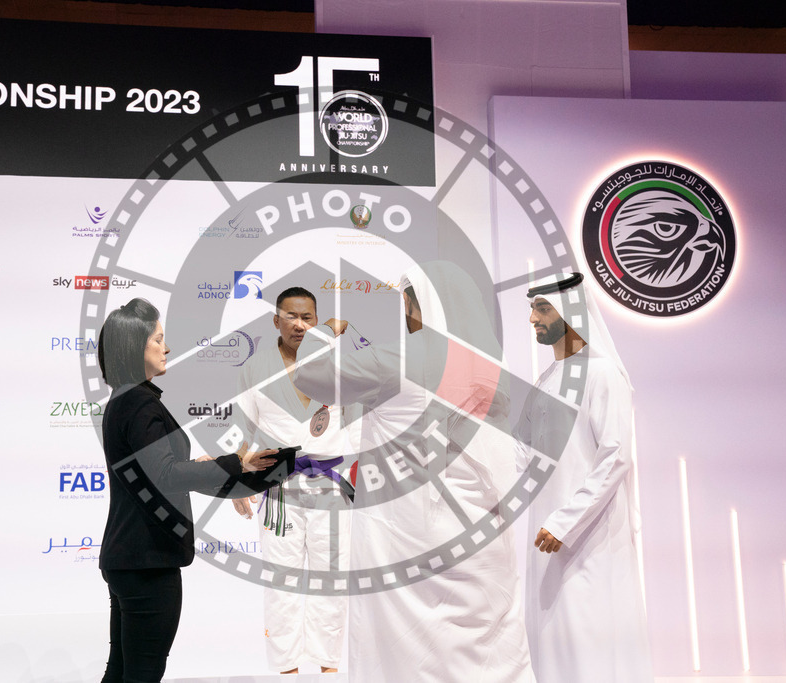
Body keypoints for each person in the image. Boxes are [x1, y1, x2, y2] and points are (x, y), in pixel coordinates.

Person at [292, 262, 535, 683]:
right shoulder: (492, 368)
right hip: (482, 531)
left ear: (415, 304)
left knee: (409, 649)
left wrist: (323, 332)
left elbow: (311, 376)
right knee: (491, 641)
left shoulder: (399, 358)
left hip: (407, 534)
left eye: (404, 301)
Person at [96, 297, 288, 683]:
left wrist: (221, 474)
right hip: (147, 561)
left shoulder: (125, 401)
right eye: (157, 340)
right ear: (135, 347)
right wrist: (239, 463)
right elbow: (166, 477)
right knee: (140, 676)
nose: (166, 348)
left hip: (130, 559)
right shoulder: (138, 404)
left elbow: (157, 475)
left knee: (122, 674)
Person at [515, 272, 652, 683]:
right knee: (553, 640)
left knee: (591, 639)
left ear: (571, 312)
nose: (533, 319)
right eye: (532, 309)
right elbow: (523, 453)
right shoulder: (546, 379)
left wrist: (564, 521)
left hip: (588, 537)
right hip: (547, 536)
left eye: (542, 308)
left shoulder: (602, 373)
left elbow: (615, 457)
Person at [231, 286, 355, 674]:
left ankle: (328, 667)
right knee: (281, 582)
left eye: (308, 318)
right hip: (280, 487)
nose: (299, 325)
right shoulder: (255, 368)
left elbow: (361, 423)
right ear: (275, 321)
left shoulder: (339, 364)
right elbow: (242, 432)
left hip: (330, 485)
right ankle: (285, 671)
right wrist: (236, 482)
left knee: (331, 578)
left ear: (317, 323)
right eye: (291, 317)